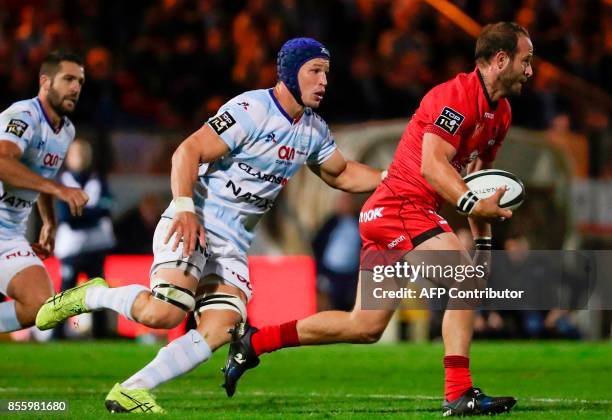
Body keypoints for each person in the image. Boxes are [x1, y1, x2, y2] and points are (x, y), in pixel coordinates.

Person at [35, 38, 384, 413]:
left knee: (222, 326)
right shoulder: (252, 109)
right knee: (164, 313)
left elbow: (343, 173)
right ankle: (91, 295)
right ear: (289, 73)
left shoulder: (312, 129)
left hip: (232, 243)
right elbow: (188, 151)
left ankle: (132, 389)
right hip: (197, 220)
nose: (323, 81)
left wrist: (389, 176)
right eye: (315, 71)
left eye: (326, 73)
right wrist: (184, 207)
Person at [224, 22, 534, 417]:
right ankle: (458, 392)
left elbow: (479, 183)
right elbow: (433, 165)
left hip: (394, 212)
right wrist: (473, 208)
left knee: (364, 326)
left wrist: (485, 244)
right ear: (500, 60)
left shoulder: (500, 114)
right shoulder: (455, 98)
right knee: (464, 279)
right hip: (401, 206)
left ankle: (254, 342)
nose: (529, 70)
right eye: (526, 61)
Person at [0, 51, 88, 334]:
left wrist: (49, 221)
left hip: (9, 234)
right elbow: (2, 161)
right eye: (68, 79)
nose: (75, 88)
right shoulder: (24, 115)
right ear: (45, 82)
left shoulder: (66, 131)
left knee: (40, 305)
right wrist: (59, 189)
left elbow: (41, 177)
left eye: (80, 82)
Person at [52, 138, 115, 339]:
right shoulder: (63, 181)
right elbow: (66, 217)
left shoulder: (99, 179)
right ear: (69, 158)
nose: (81, 158)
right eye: (76, 154)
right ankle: (57, 334)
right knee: (66, 291)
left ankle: (101, 334)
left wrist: (80, 213)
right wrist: (92, 214)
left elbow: (106, 208)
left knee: (98, 291)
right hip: (71, 247)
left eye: (84, 154)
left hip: (95, 246)